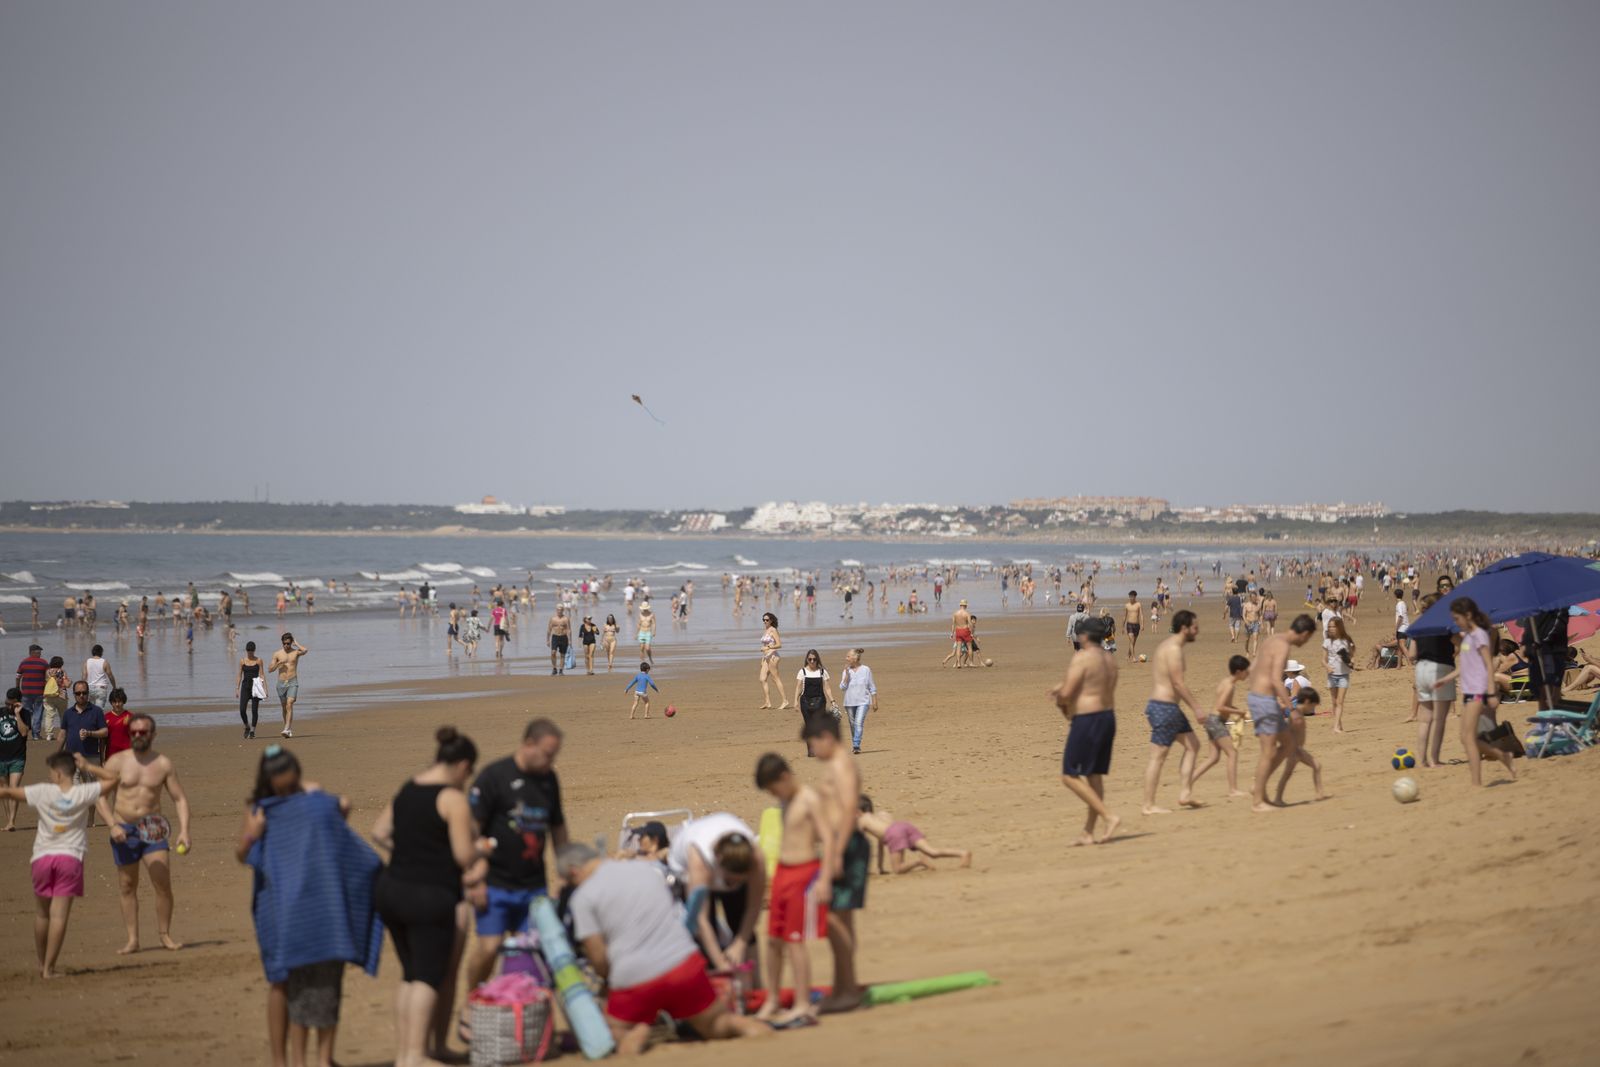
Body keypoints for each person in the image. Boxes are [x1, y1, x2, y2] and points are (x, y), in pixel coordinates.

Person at [238, 746, 379, 1067]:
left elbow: (342, 809)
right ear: (268, 781)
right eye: (281, 787)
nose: (287, 792)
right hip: (274, 900)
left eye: (291, 785)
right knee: (280, 977)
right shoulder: (260, 810)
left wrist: (314, 795)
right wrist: (253, 835)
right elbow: (242, 855)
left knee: (315, 976)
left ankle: (321, 1059)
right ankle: (280, 1060)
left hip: (312, 897)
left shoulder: (312, 799)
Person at [561, 843, 771, 1054]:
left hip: (633, 977)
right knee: (719, 1022)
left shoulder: (583, 897)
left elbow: (598, 957)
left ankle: (638, 1030)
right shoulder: (645, 870)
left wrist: (607, 980)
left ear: (573, 870)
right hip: (683, 963)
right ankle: (763, 1037)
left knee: (616, 1032)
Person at [372, 727, 492, 1067]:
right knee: (427, 975)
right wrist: (482, 852)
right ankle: (415, 1056)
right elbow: (462, 856)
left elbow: (379, 832)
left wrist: (411, 851)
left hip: (391, 890)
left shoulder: (408, 788)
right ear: (463, 766)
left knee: (411, 975)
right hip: (428, 895)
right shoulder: (452, 798)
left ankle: (405, 1054)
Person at [463, 719, 567, 994]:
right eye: (547, 754)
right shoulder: (494, 777)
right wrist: (474, 879)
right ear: (528, 744)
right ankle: (472, 999)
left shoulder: (549, 780)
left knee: (529, 955)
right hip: (494, 882)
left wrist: (565, 872)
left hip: (534, 886)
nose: (550, 761)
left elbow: (557, 827)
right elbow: (471, 830)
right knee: (489, 948)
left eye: (553, 756)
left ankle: (515, 1006)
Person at [83, 712, 192, 952]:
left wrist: (184, 831)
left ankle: (165, 935)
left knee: (162, 884)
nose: (138, 736)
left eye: (143, 732)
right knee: (127, 885)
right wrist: (112, 825)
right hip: (123, 829)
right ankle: (133, 939)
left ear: (153, 734)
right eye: (134, 732)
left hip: (153, 828)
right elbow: (100, 796)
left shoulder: (163, 763)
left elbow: (180, 799)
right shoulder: (117, 762)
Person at [0, 751, 99, 976]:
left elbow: (6, 791)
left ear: (56, 773)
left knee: (42, 914)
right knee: (59, 916)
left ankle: (40, 962)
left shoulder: (43, 791)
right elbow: (114, 780)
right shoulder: (83, 792)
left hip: (42, 858)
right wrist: (89, 767)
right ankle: (49, 968)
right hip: (70, 858)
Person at [754, 752, 834, 1028]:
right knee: (773, 938)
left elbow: (828, 839)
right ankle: (773, 999)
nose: (773, 794)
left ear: (785, 777)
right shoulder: (785, 800)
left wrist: (824, 879)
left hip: (804, 873)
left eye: (774, 787)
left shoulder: (809, 799)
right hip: (782, 875)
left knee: (795, 940)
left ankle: (802, 1004)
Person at [804, 717, 867, 1014]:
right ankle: (844, 987)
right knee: (839, 922)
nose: (813, 749)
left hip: (846, 846)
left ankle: (847, 990)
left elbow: (847, 811)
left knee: (835, 922)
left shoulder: (842, 766)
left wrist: (837, 854)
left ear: (827, 737)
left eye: (814, 742)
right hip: (843, 846)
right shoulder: (837, 765)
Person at [1428, 597, 1518, 787]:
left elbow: (1487, 665)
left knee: (1468, 738)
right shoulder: (1467, 637)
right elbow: (1465, 666)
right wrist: (1445, 679)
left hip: (1479, 692)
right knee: (1466, 738)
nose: (1455, 622)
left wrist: (1492, 693)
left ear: (1468, 615)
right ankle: (1503, 757)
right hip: (1468, 693)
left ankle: (1476, 783)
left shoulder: (1479, 635)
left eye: (1457, 618)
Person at [1048, 616, 1122, 845]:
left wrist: (1057, 696)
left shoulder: (1082, 657)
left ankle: (1109, 816)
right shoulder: (1110, 659)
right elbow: (1095, 686)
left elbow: (1068, 693)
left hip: (1088, 719)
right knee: (1094, 776)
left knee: (1069, 776)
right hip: (1108, 717)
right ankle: (1088, 832)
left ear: (1084, 636)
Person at [668, 812, 765, 971]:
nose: (734, 884)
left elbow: (754, 906)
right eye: (730, 880)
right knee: (704, 938)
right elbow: (701, 920)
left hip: (719, 864)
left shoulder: (756, 860)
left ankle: (754, 986)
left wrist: (740, 944)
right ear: (719, 865)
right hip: (686, 872)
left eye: (740, 880)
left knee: (742, 926)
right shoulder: (700, 862)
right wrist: (720, 964)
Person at [1248, 615, 1316, 812]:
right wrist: (1292, 709)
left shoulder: (1272, 639)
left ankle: (1259, 789)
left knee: (1287, 743)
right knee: (1268, 751)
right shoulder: (1284, 646)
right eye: (1308, 638)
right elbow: (1277, 680)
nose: (1305, 642)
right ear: (1304, 633)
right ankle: (1257, 801)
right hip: (1264, 701)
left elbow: (1253, 667)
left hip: (1260, 699)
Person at [1142, 611, 1204, 814]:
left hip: (1166, 707)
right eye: (1195, 627)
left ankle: (1185, 793)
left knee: (1193, 745)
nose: (1197, 630)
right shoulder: (1174, 649)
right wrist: (1196, 707)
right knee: (1158, 756)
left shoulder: (1166, 645)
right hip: (1164, 707)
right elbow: (1177, 683)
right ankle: (1148, 805)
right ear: (1184, 628)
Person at [856, 795, 971, 874]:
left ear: (858, 812)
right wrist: (880, 868)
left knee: (897, 869)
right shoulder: (882, 816)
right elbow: (881, 845)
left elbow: (859, 845)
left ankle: (919, 861)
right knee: (932, 852)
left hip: (893, 833)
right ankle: (963, 853)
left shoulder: (863, 820)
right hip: (903, 826)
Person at [1274, 685, 1328, 804]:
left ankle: (1319, 793)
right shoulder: (1296, 716)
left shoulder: (1295, 712)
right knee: (1287, 774)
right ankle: (1278, 798)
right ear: (1307, 701)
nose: (1313, 709)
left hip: (1298, 750)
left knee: (1316, 766)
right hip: (1294, 751)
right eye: (1313, 705)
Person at [795, 650, 837, 756]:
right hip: (805, 702)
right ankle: (811, 750)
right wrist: (795, 701)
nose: (812, 661)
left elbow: (827, 688)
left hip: (820, 702)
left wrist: (833, 701)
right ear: (807, 660)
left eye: (814, 659)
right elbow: (798, 687)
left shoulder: (823, 672)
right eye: (810, 659)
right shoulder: (802, 672)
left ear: (817, 659)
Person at [1, 687, 31, 830]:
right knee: (5, 790)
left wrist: (18, 715)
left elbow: (24, 733)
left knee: (13, 788)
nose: (8, 706)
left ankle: (12, 821)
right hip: (1, 757)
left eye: (11, 704)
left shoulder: (25, 714)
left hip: (17, 756)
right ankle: (8, 820)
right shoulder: (1, 712)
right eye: (7, 703)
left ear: (18, 703)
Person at [269, 634, 309, 739]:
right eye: (284, 643)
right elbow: (270, 669)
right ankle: (288, 728)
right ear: (282, 642)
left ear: (291, 643)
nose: (286, 645)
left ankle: (286, 728)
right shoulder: (277, 654)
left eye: (288, 643)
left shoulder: (295, 652)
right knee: (284, 707)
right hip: (281, 683)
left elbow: (305, 650)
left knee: (289, 704)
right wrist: (278, 664)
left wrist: (297, 643)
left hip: (292, 681)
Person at [839, 647, 877, 755]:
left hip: (863, 702)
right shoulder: (846, 671)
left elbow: (871, 686)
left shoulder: (866, 670)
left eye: (848, 656)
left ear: (855, 658)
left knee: (858, 723)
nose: (846, 658)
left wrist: (874, 701)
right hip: (849, 703)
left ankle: (856, 745)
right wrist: (846, 675)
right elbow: (842, 687)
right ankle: (855, 743)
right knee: (852, 724)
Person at [1323, 617, 1355, 732]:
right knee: (1334, 702)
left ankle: (1335, 726)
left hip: (1343, 675)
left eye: (1333, 626)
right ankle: (1338, 724)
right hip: (1331, 675)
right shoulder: (1327, 641)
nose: (1331, 629)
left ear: (1339, 627)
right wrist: (1327, 667)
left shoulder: (1346, 641)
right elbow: (1323, 660)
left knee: (1340, 701)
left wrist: (1351, 661)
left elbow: (1352, 656)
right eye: (1329, 627)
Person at [16, 642, 48, 741]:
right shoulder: (44, 662)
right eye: (38, 652)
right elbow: (48, 678)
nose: (40, 654)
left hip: (26, 692)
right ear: (32, 652)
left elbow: (18, 676)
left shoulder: (23, 662)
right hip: (39, 692)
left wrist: (17, 688)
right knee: (38, 713)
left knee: (26, 713)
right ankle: (35, 735)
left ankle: (24, 733)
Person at [758, 613, 788, 709]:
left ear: (771, 620)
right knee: (762, 679)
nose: (765, 622)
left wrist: (768, 647)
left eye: (767, 620)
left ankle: (785, 700)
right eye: (764, 620)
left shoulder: (773, 630)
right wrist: (763, 658)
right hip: (766, 657)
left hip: (773, 656)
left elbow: (779, 644)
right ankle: (767, 702)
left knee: (775, 678)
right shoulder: (766, 630)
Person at [238, 641, 266, 739]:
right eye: (248, 651)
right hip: (245, 687)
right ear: (246, 651)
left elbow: (262, 674)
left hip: (256, 687)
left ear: (254, 650)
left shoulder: (259, 660)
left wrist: (264, 689)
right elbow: (239, 675)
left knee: (254, 710)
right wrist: (237, 688)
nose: (250, 653)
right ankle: (247, 726)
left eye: (252, 651)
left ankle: (253, 731)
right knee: (242, 710)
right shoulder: (242, 661)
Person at [102, 688, 134, 760]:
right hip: (111, 756)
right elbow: (103, 741)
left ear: (123, 701)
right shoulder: (105, 718)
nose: (117, 704)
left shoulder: (130, 717)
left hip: (127, 755)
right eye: (114, 702)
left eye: (119, 702)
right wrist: (102, 758)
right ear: (111, 702)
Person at [83, 644, 117, 709]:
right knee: (99, 711)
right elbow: (110, 676)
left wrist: (83, 688)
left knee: (90, 710)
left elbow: (84, 676)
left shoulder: (87, 662)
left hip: (89, 688)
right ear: (101, 652)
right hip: (101, 689)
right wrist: (114, 686)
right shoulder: (104, 662)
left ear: (92, 652)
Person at [546, 606, 572, 675]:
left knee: (562, 655)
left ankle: (561, 670)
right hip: (555, 637)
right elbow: (549, 629)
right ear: (556, 610)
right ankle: (554, 668)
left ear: (563, 610)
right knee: (553, 652)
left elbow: (569, 630)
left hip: (563, 637)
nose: (559, 611)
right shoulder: (553, 619)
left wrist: (570, 640)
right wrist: (547, 640)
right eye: (558, 610)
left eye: (560, 610)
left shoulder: (566, 619)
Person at [950, 600, 974, 668]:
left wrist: (952, 633)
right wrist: (971, 632)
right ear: (965, 605)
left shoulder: (955, 613)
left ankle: (959, 664)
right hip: (965, 630)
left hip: (958, 630)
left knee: (958, 648)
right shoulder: (967, 613)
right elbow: (970, 623)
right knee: (969, 647)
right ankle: (971, 662)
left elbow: (953, 624)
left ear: (960, 605)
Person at [1123, 592, 1143, 660]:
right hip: (1129, 625)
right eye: (1130, 597)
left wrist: (1142, 624)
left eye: (1132, 597)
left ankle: (1128, 654)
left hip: (1137, 625)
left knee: (1133, 642)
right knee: (1131, 640)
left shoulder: (1138, 604)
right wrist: (1123, 627)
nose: (1131, 598)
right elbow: (1124, 616)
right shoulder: (1127, 605)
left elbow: (1141, 615)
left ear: (1135, 597)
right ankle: (1133, 657)